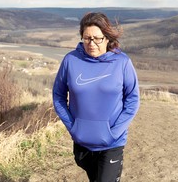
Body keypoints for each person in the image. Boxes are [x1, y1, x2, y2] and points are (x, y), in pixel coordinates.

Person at [52, 12, 140, 182]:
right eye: (87, 38)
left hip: (112, 144)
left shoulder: (122, 62)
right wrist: (73, 127)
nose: (91, 44)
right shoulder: (71, 60)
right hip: (82, 143)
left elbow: (132, 100)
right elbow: (58, 96)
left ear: (107, 38)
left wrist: (114, 133)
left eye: (97, 38)